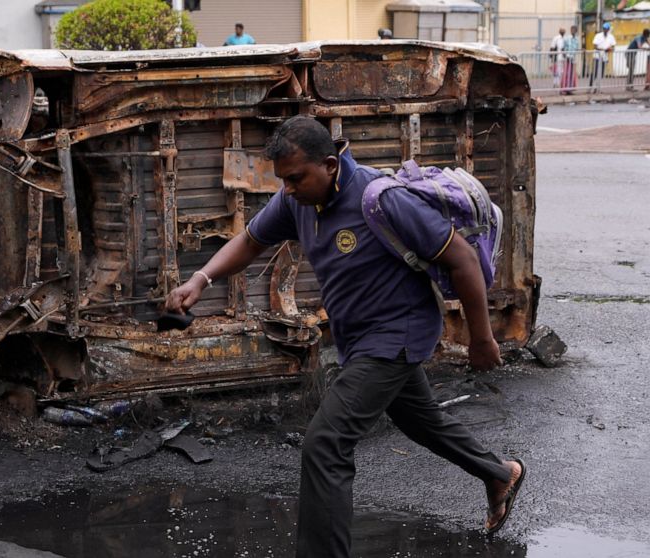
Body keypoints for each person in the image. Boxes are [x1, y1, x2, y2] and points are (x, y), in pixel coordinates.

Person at [165, 117, 525, 558]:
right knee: (420, 421)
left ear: (331, 165)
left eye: (296, 178)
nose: (289, 188)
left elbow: (464, 260)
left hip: (397, 335)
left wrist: (481, 338)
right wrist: (200, 279)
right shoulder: (297, 199)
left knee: (325, 444)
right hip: (359, 340)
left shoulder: (381, 198)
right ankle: (498, 473)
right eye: (283, 180)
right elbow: (251, 240)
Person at [591, 22, 616, 93]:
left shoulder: (611, 36)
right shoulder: (598, 35)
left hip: (604, 57)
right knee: (595, 73)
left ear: (608, 29)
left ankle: (597, 88)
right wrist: (604, 49)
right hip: (597, 56)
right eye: (604, 28)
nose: (605, 30)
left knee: (601, 73)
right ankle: (590, 87)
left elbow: (613, 46)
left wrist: (609, 49)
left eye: (606, 29)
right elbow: (595, 46)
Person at [561, 25, 580, 94]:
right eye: (572, 29)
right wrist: (565, 56)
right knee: (566, 74)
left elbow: (576, 48)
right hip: (567, 59)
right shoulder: (567, 38)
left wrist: (581, 50)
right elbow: (563, 48)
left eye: (575, 30)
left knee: (571, 75)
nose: (573, 31)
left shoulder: (576, 39)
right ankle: (563, 89)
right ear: (570, 30)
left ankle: (569, 89)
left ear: (576, 31)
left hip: (573, 59)